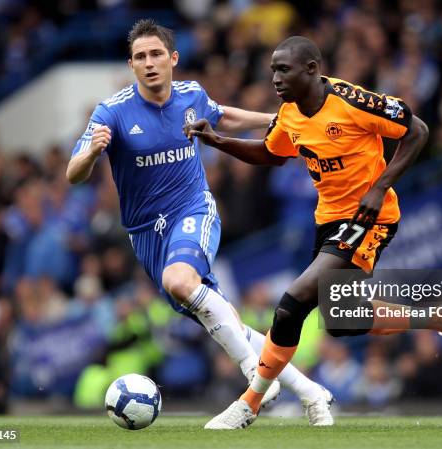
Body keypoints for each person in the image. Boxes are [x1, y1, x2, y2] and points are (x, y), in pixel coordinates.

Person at [185, 36, 442, 430]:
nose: (275, 77)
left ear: (312, 69)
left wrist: (379, 187)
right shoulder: (290, 113)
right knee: (343, 318)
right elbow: (272, 154)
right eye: (273, 69)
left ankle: (249, 403)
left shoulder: (354, 102)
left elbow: (418, 131)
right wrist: (218, 141)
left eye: (283, 69)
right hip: (329, 219)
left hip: (370, 217)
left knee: (292, 303)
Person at [65, 20, 333, 425]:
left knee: (180, 281)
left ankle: (252, 378)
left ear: (173, 59)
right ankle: (313, 393)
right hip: (147, 235)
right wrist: (90, 155)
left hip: (194, 211)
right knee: (227, 321)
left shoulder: (192, 95)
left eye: (157, 54)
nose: (150, 63)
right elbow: (73, 172)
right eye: (141, 57)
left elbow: (225, 117)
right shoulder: (113, 112)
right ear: (131, 65)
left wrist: (279, 118)